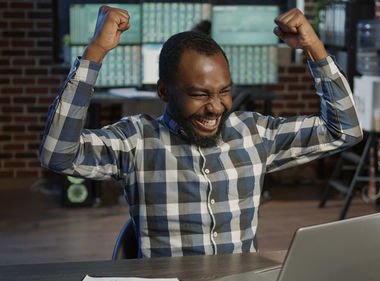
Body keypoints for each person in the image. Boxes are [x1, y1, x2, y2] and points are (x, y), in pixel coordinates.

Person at [40, 6, 362, 258]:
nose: (216, 107)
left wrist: (314, 48)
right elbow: (57, 153)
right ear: (164, 91)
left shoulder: (254, 134)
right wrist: (96, 51)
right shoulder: (136, 141)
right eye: (199, 94)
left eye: (224, 91)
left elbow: (345, 130)